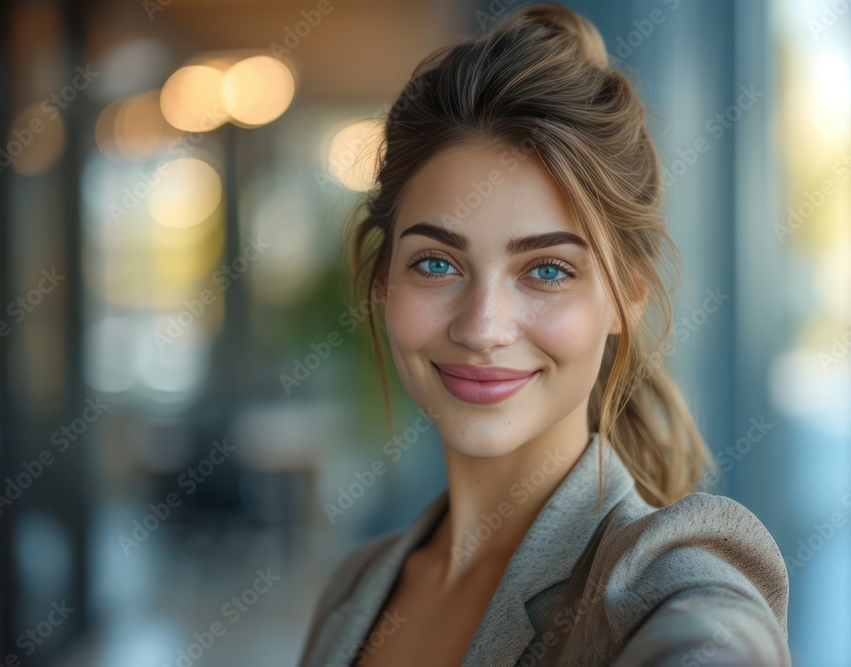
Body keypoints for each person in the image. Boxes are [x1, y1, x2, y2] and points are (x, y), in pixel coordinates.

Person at [299, 3, 790, 665]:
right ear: (384, 281)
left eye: (548, 269)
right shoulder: (353, 590)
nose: (482, 327)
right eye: (437, 263)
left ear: (627, 297)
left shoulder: (666, 578)